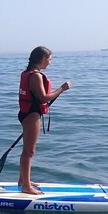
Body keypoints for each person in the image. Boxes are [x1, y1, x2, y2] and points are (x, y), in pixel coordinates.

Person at [18, 46, 71, 194]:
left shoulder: (27, 73)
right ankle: (26, 187)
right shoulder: (35, 76)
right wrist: (62, 88)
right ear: (41, 59)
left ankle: (23, 180)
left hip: (27, 113)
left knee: (27, 150)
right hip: (31, 114)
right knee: (29, 151)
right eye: (49, 59)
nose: (50, 63)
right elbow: (43, 98)